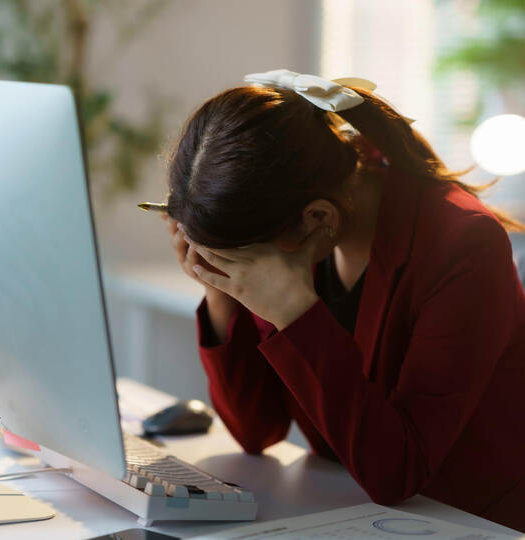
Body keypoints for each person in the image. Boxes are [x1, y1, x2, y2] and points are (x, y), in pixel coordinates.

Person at [160, 70, 525, 532]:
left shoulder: (463, 244)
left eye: (241, 261)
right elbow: (257, 430)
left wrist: (294, 312)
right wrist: (220, 289)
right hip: (354, 511)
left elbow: (399, 470)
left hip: (466, 521)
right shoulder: (298, 229)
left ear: (318, 217)